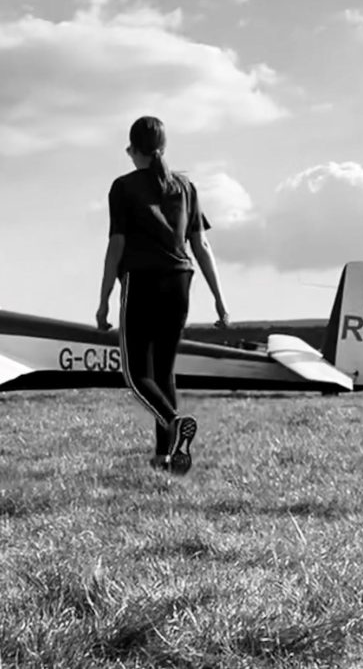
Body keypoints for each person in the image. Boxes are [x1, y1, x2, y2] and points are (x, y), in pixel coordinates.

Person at [96, 116, 228, 474]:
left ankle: (173, 421)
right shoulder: (186, 187)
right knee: (164, 371)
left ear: (133, 150)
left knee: (137, 374)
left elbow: (116, 245)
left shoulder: (123, 187)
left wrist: (104, 298)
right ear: (163, 148)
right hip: (180, 280)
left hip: (142, 280)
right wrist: (219, 299)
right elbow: (201, 245)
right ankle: (165, 456)